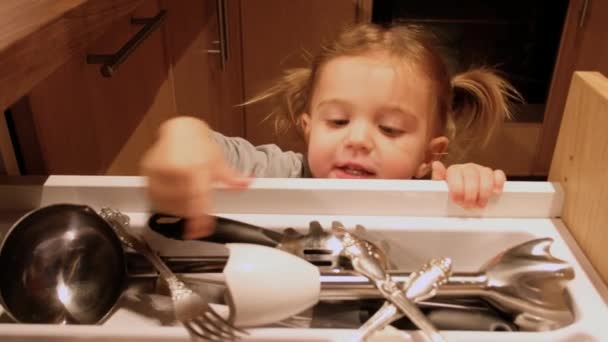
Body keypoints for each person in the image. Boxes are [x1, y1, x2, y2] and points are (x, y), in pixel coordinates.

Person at [141, 23, 521, 239]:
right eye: (337, 121)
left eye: (389, 129)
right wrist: (183, 136)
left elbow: (471, 219)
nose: (356, 139)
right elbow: (197, 142)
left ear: (428, 155)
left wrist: (468, 186)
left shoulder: (432, 192)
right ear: (307, 129)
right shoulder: (279, 174)